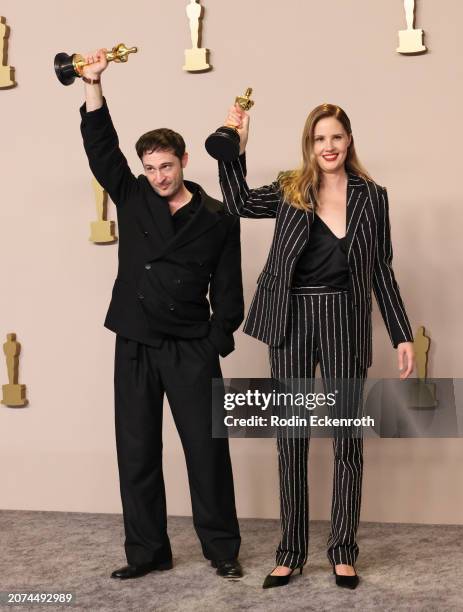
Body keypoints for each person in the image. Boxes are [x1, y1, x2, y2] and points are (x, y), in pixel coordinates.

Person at [216, 101, 415, 589]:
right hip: (292, 321)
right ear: (309, 145)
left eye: (336, 137)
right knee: (292, 439)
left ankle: (343, 550)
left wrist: (402, 333)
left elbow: (381, 270)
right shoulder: (290, 188)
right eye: (318, 139)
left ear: (349, 140)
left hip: (346, 321)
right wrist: (235, 145)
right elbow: (239, 202)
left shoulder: (374, 196)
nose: (328, 147)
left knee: (347, 437)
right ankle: (290, 551)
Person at [77, 49, 244, 580]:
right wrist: (93, 86)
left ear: (184, 161)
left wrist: (214, 341)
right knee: (137, 453)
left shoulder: (218, 218)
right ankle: (148, 553)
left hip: (190, 347)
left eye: (165, 166)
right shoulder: (132, 195)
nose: (157, 177)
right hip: (135, 340)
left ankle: (222, 549)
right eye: (149, 168)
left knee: (206, 451)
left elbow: (230, 290)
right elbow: (101, 149)